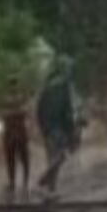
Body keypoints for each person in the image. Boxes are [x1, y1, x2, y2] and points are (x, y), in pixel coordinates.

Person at [36, 55, 82, 199]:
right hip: (59, 127)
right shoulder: (64, 88)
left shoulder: (47, 87)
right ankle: (44, 180)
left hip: (48, 127)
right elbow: (67, 110)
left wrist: (42, 127)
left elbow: (39, 109)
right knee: (61, 156)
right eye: (69, 69)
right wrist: (71, 130)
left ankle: (51, 190)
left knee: (53, 157)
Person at [0, 73, 33, 197]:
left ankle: (24, 182)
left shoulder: (20, 97)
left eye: (14, 83)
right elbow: (3, 114)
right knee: (11, 159)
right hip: (11, 133)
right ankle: (13, 182)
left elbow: (25, 111)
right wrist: (17, 112)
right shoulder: (7, 99)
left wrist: (12, 113)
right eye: (11, 84)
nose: (13, 86)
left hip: (18, 132)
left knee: (23, 159)